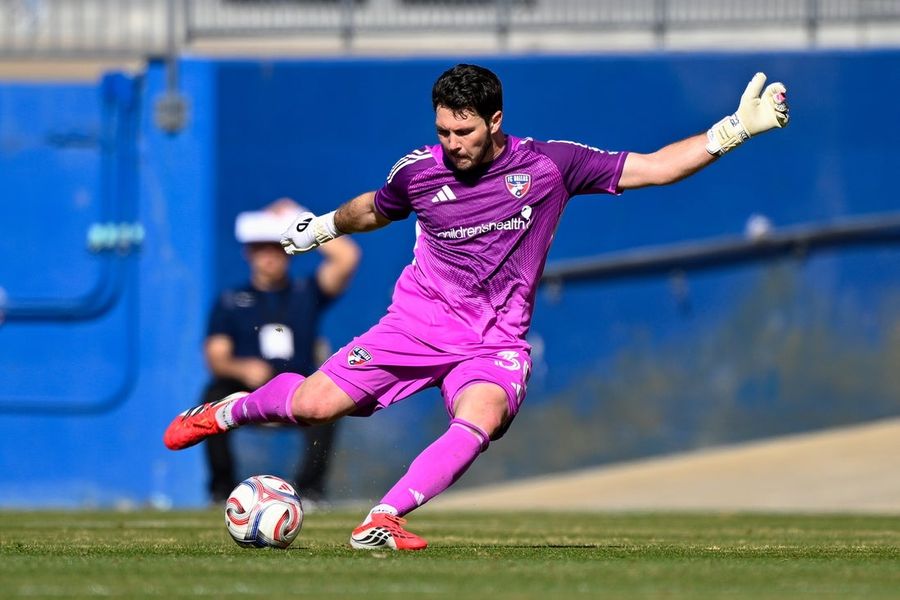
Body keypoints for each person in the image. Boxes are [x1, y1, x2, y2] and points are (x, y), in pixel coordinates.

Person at [165, 64, 789, 549]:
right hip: (414, 325)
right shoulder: (420, 173)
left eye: (463, 131)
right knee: (311, 405)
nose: (452, 144)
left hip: (493, 342)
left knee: (481, 417)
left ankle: (382, 519)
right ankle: (226, 412)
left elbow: (653, 168)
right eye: (442, 130)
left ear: (495, 121)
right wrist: (323, 227)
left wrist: (732, 130)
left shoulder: (549, 165)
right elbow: (374, 208)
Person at [199, 199, 360, 504]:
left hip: (297, 390)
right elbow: (215, 356)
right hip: (247, 390)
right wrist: (241, 369)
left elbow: (347, 257)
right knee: (213, 394)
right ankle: (221, 491)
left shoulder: (306, 293)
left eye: (276, 247)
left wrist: (299, 217)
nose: (269, 256)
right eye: (261, 248)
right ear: (249, 253)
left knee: (332, 396)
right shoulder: (231, 300)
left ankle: (311, 493)